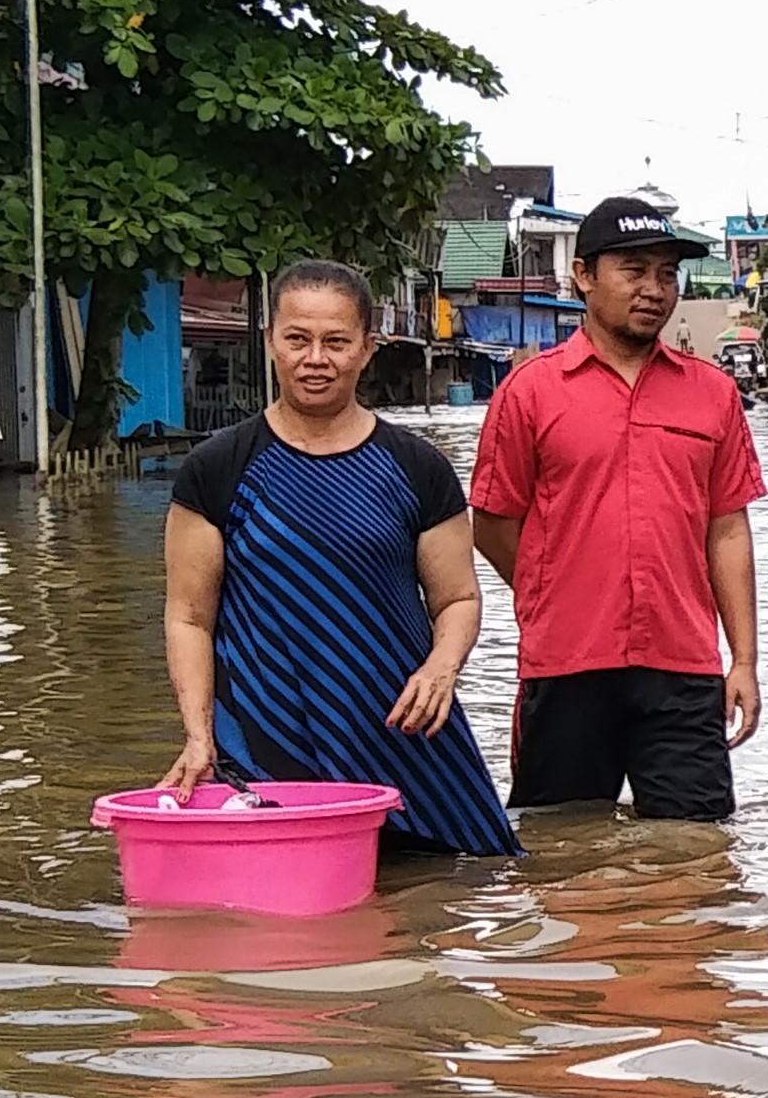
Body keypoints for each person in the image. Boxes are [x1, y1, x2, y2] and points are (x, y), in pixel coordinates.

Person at [157, 258, 520, 858]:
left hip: (401, 725)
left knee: (449, 894)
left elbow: (457, 598)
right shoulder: (218, 468)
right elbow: (189, 617)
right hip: (264, 726)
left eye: (336, 342)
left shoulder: (417, 468)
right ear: (271, 340)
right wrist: (199, 738)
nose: (315, 358)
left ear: (367, 349)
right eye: (297, 339)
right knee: (275, 902)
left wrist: (441, 669)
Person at [469, 196, 766, 822]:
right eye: (633, 271)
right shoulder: (530, 392)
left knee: (698, 856)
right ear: (584, 276)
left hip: (683, 668)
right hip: (566, 663)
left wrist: (743, 660)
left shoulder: (712, 394)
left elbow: (728, 530)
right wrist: (547, 589)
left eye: (666, 274)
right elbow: (492, 519)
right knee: (560, 854)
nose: (653, 290)